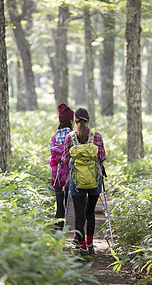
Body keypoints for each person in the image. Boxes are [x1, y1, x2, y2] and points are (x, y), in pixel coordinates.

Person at [62, 108, 106, 257]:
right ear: (89, 120)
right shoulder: (97, 137)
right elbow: (102, 158)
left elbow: (66, 159)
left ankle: (82, 249)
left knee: (79, 214)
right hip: (94, 180)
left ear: (75, 121)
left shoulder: (70, 137)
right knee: (90, 213)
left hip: (76, 181)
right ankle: (90, 244)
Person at [49, 103, 74, 230]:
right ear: (71, 120)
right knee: (72, 205)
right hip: (71, 176)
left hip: (57, 176)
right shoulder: (73, 136)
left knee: (60, 206)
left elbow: (52, 156)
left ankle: (58, 233)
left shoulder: (53, 138)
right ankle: (73, 230)